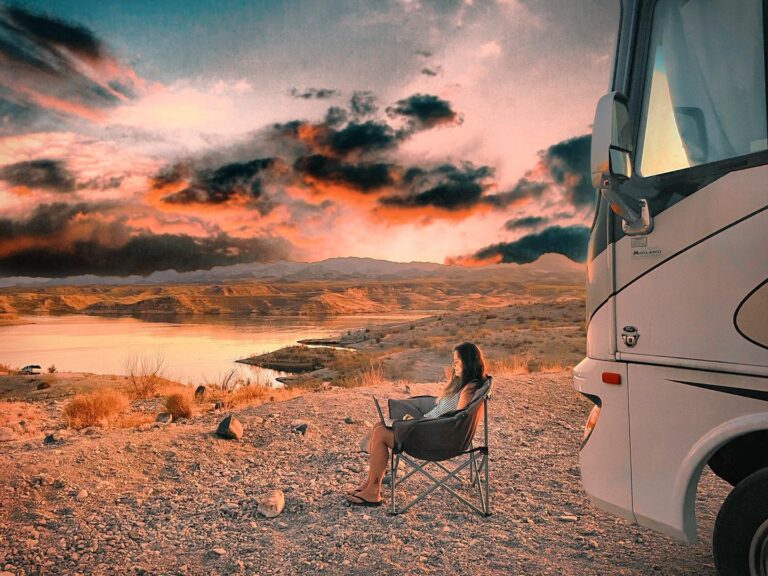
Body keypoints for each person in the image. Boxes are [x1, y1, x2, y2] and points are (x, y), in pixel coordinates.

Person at [345, 341, 488, 507]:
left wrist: (416, 423)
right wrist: (415, 420)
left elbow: (458, 418)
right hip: (431, 430)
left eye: (457, 361)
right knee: (379, 426)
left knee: (381, 433)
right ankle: (369, 484)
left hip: (437, 438)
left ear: (468, 362)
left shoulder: (469, 388)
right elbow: (448, 414)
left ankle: (373, 492)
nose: (453, 365)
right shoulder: (465, 384)